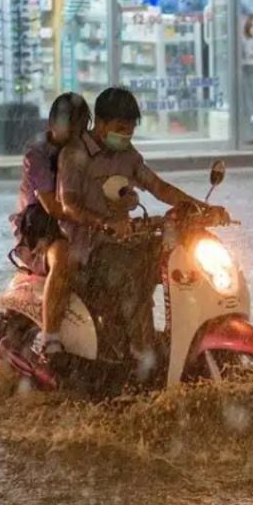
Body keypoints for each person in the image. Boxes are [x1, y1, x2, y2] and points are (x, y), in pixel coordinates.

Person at [57, 87, 223, 370]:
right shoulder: (74, 154)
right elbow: (68, 205)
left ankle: (181, 339)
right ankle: (141, 354)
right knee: (133, 273)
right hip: (89, 251)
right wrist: (105, 223)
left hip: (124, 242)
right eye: (120, 129)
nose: (126, 136)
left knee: (181, 258)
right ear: (101, 123)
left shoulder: (128, 155)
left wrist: (201, 209)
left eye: (131, 130)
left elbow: (158, 187)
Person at [10, 92, 92, 360]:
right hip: (40, 231)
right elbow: (53, 207)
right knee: (63, 259)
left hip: (76, 226)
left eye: (81, 127)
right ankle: (50, 338)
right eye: (70, 126)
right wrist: (99, 218)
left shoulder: (87, 152)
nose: (75, 134)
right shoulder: (38, 155)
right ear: (52, 123)